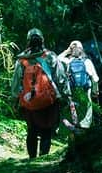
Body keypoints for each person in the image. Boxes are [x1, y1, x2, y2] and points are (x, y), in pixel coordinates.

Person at [11, 28, 75, 159]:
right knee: (47, 128)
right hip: (48, 101)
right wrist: (67, 95)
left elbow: (16, 81)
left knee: (31, 130)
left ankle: (32, 158)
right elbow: (60, 77)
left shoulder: (22, 59)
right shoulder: (51, 56)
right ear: (42, 40)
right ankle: (43, 156)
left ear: (28, 41)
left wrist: (15, 98)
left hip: (28, 101)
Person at [59, 39, 99, 129]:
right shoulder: (87, 61)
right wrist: (95, 91)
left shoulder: (68, 62)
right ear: (82, 50)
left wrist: (67, 50)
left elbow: (57, 59)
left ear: (71, 51)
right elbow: (95, 79)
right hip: (85, 90)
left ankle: (74, 128)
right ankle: (85, 127)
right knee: (87, 110)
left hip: (72, 91)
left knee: (73, 109)